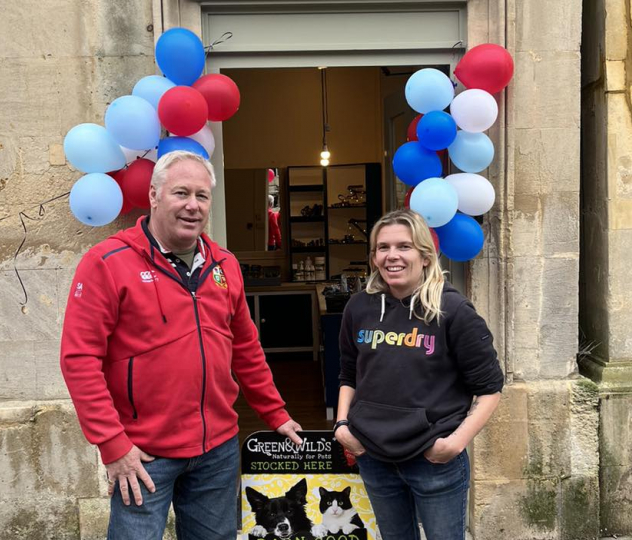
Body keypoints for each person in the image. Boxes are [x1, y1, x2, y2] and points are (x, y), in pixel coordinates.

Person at [60, 150, 303, 540]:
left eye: (202, 196)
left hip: (217, 450)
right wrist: (112, 444)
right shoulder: (107, 261)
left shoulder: (225, 265)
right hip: (142, 453)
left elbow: (245, 347)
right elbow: (79, 359)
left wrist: (274, 412)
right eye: (181, 193)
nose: (193, 205)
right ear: (154, 195)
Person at [334, 209, 503, 540]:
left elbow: (490, 388)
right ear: (373, 257)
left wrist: (455, 443)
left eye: (404, 247)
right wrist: (342, 426)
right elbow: (348, 374)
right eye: (382, 248)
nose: (392, 256)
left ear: (425, 256)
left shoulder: (453, 311)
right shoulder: (359, 307)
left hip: (433, 461)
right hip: (374, 456)